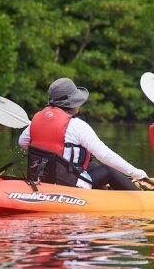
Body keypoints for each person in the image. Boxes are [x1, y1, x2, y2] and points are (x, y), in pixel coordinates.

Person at [18, 77, 147, 190]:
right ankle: (142, 197)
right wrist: (136, 173)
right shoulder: (77, 125)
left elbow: (23, 143)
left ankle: (105, 191)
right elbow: (104, 155)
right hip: (68, 183)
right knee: (108, 171)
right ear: (73, 103)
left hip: (43, 177)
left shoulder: (36, 120)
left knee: (92, 165)